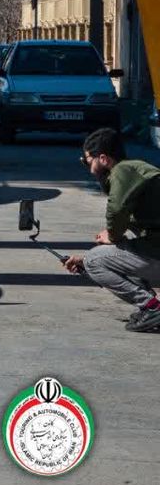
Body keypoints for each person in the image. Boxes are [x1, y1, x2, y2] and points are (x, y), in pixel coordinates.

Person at [63, 128, 160, 332]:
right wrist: (114, 238)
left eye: (87, 161)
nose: (88, 168)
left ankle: (153, 307)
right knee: (99, 257)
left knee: (94, 260)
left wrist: (112, 235)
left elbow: (116, 211)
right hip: (154, 248)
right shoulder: (137, 170)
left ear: (104, 158)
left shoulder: (123, 171)